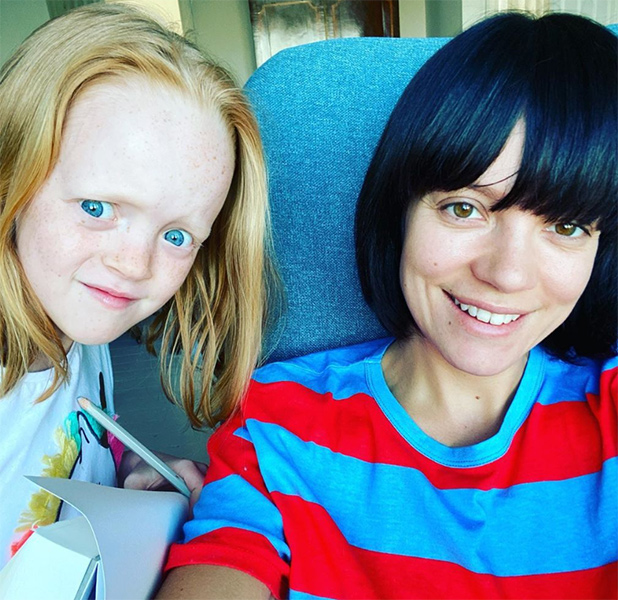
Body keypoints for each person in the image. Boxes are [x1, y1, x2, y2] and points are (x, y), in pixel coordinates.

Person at [158, 11, 617, 600]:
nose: (506, 274)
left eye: (567, 226)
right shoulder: (275, 424)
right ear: (400, 211)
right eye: (464, 208)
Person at [0, 3, 274, 569]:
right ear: (12, 174)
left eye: (177, 236)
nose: (134, 264)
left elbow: (76, 438)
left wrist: (126, 464)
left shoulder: (74, 313)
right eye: (97, 208)